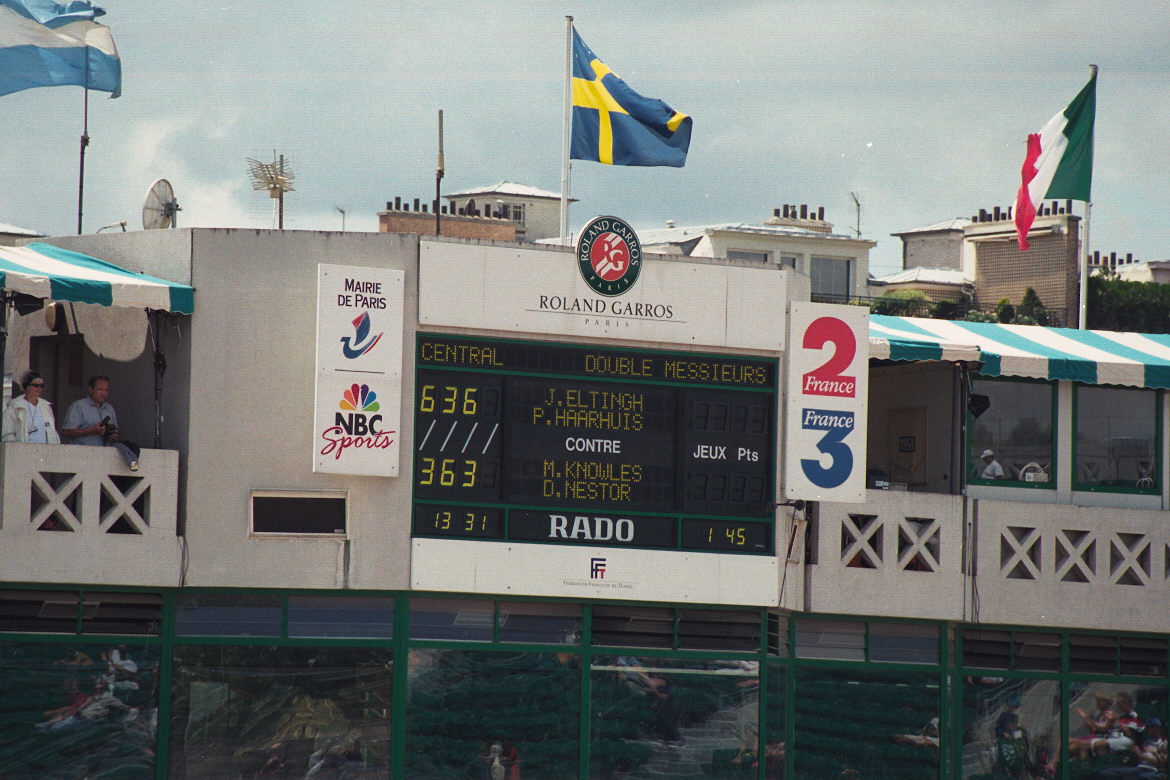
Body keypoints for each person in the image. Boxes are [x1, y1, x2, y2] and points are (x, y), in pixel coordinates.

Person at [61, 375, 140, 471]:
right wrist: (92, 430)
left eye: (106, 390)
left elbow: (116, 431)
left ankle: (135, 467)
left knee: (130, 448)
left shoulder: (109, 408)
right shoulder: (78, 406)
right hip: (82, 458)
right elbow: (66, 432)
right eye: (100, 389)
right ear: (90, 389)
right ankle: (134, 467)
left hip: (105, 460)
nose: (104, 393)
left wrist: (114, 434)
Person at [2, 371, 60, 443]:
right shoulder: (15, 407)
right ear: (27, 386)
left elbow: (52, 431)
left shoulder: (46, 406)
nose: (39, 388)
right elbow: (7, 433)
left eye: (41, 386)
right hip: (23, 450)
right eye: (36, 385)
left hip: (45, 451)